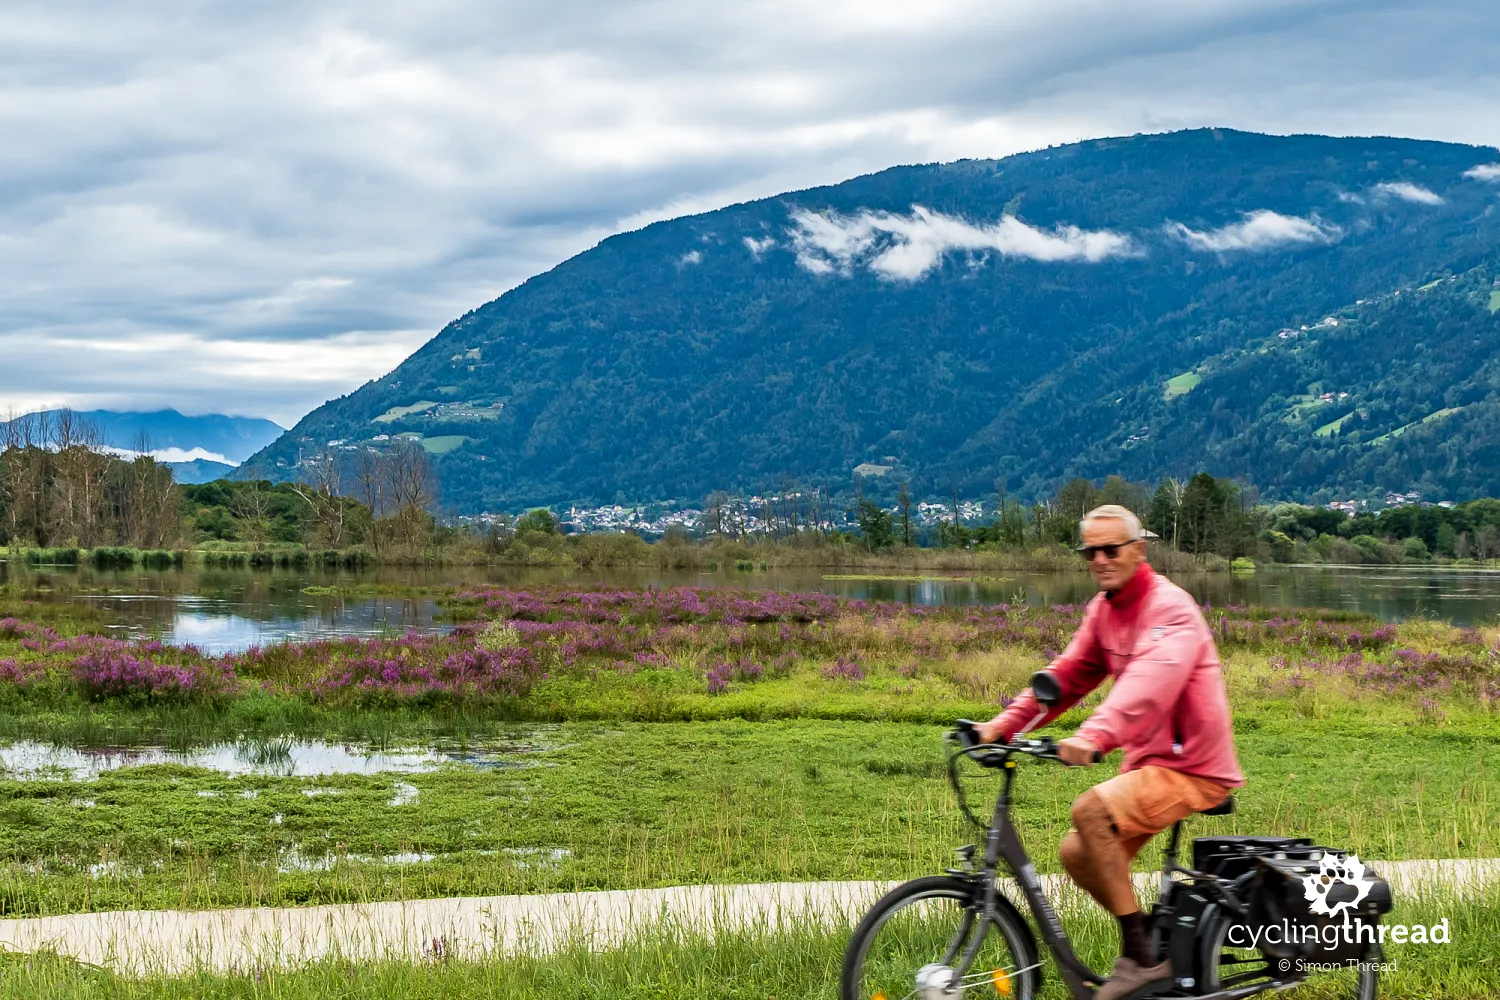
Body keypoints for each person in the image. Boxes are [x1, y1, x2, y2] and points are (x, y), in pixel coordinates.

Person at [974, 504, 1244, 1000]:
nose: (1099, 559)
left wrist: (1094, 736)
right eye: (1090, 552)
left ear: (1138, 550)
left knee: (1090, 810)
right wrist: (1000, 727)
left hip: (1193, 766)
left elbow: (1149, 682)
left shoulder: (1170, 608)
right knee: (1077, 855)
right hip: (1149, 764)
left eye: (1110, 549)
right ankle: (1155, 948)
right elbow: (1066, 675)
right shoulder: (1104, 609)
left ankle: (1140, 956)